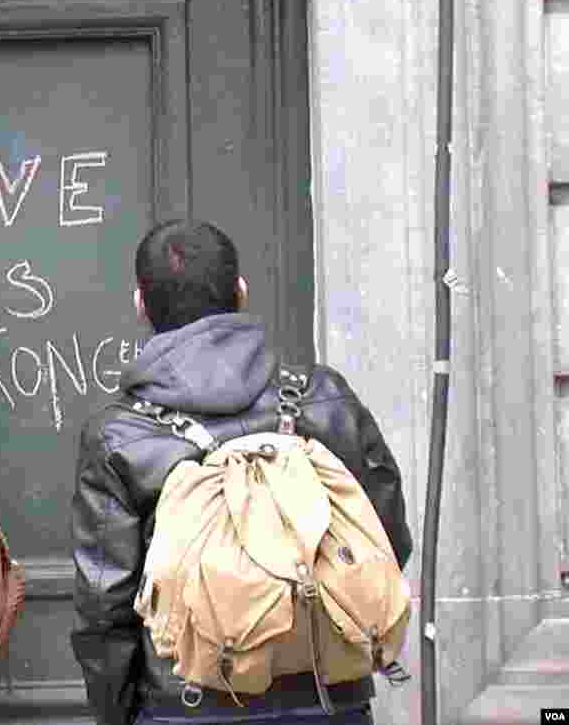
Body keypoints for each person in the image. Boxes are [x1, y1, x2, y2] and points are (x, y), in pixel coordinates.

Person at [70, 220, 413, 725]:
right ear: (241, 291)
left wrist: (117, 712)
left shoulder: (116, 434)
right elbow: (386, 541)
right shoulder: (324, 396)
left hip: (186, 702)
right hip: (325, 696)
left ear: (140, 304)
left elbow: (105, 606)